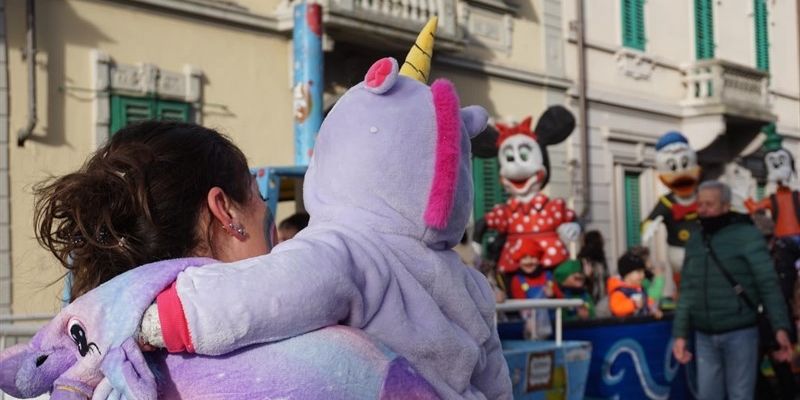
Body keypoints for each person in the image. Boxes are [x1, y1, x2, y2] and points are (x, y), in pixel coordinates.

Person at [129, 23, 512, 399]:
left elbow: (267, 294)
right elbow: (495, 380)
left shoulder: (343, 249)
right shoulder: (471, 284)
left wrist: (163, 318)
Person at [23, 120, 440, 400]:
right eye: (259, 196)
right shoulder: (342, 364)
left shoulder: (89, 374)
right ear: (226, 211)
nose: (267, 213)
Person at [672, 180, 793, 400]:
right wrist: (680, 334)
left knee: (740, 395)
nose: (702, 209)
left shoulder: (747, 236)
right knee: (707, 396)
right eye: (700, 204)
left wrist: (780, 327)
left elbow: (768, 284)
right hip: (704, 334)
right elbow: (687, 289)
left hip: (740, 332)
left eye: (709, 204)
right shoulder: (695, 241)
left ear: (726, 206)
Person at [607, 251, 663, 318]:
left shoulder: (641, 289)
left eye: (643, 272)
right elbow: (616, 308)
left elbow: (649, 302)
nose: (643, 275)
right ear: (627, 274)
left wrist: (654, 310)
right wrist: (633, 304)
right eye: (639, 272)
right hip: (627, 324)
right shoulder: (619, 292)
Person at [578, 230, 610, 306]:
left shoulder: (601, 261)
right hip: (590, 299)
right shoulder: (584, 261)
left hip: (603, 299)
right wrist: (586, 276)